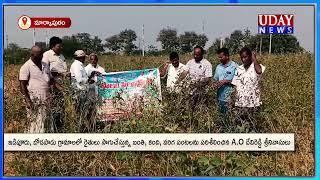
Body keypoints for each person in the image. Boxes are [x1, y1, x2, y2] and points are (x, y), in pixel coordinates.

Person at [231, 47, 266, 132]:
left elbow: (259, 72)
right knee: (241, 126)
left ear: (250, 56)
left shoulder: (257, 67)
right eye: (242, 57)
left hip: (253, 103)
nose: (243, 59)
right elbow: (235, 84)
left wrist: (254, 59)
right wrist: (232, 100)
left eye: (246, 57)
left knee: (253, 127)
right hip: (240, 103)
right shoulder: (239, 69)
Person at [19, 46, 51, 133]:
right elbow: (22, 84)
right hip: (33, 100)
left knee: (43, 122)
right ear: (32, 54)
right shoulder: (26, 66)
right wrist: (27, 100)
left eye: (42, 54)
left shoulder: (45, 65)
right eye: (39, 54)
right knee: (34, 122)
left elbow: (50, 80)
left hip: (46, 99)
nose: (42, 56)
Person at [42, 36, 67, 132]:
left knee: (61, 108)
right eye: (59, 46)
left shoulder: (61, 56)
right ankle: (52, 129)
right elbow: (45, 71)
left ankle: (59, 128)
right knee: (53, 107)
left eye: (61, 46)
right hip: (52, 85)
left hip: (62, 85)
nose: (61, 48)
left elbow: (63, 68)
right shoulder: (46, 55)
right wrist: (59, 74)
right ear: (52, 46)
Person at [70, 50, 98, 132]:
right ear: (81, 57)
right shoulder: (76, 66)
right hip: (79, 92)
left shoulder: (79, 65)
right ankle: (80, 129)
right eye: (83, 57)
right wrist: (89, 80)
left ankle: (84, 128)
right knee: (80, 112)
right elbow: (79, 80)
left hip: (82, 91)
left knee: (83, 111)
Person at [213, 48, 238, 115]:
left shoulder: (235, 66)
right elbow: (215, 79)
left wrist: (226, 81)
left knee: (230, 116)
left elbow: (239, 81)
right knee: (221, 116)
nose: (220, 59)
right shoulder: (218, 67)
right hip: (220, 97)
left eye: (221, 57)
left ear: (227, 56)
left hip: (231, 98)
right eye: (219, 57)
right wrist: (215, 84)